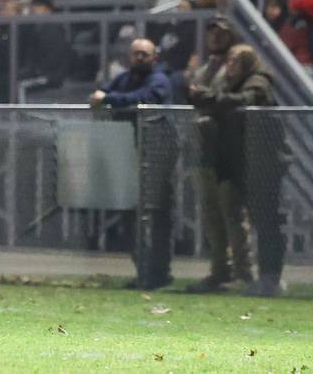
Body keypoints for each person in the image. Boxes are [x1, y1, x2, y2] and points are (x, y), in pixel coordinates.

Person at [190, 44, 289, 297]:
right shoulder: (227, 86)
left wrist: (206, 97)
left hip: (259, 162)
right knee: (227, 214)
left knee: (264, 221)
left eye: (235, 60)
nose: (229, 65)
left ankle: (266, 279)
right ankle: (229, 272)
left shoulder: (257, 82)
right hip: (233, 161)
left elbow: (244, 102)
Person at [89, 38, 174, 289]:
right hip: (128, 153)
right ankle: (143, 271)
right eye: (135, 53)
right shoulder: (124, 79)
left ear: (154, 57)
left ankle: (160, 273)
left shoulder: (160, 80)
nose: (139, 58)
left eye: (144, 54)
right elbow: (102, 93)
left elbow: (143, 97)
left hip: (156, 154)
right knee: (129, 213)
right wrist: (103, 97)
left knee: (157, 214)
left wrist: (109, 98)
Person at [185, 18, 251, 292]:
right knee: (211, 213)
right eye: (211, 31)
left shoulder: (235, 68)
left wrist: (204, 96)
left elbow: (222, 99)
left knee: (232, 213)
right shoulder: (205, 69)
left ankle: (242, 272)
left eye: (221, 32)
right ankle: (218, 269)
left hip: (227, 150)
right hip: (204, 149)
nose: (215, 36)